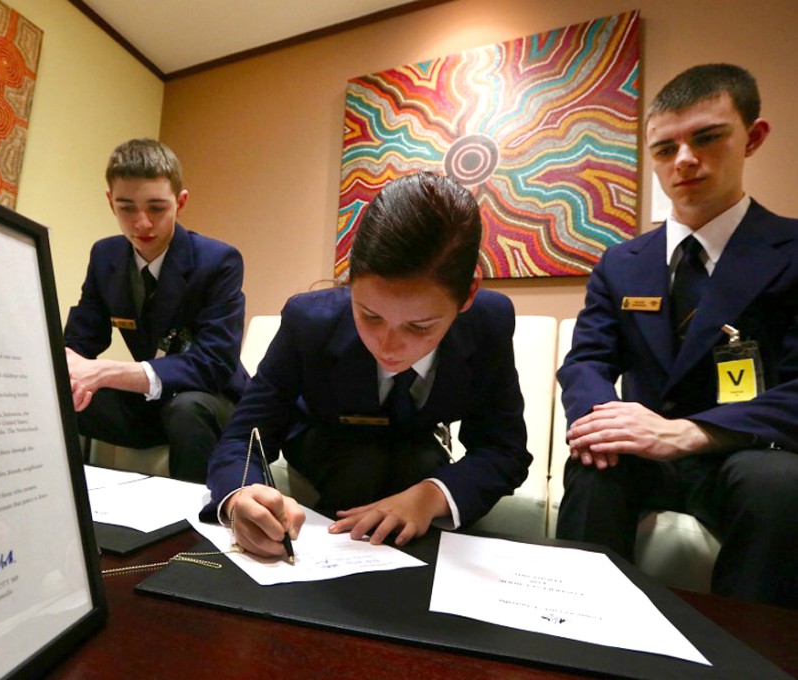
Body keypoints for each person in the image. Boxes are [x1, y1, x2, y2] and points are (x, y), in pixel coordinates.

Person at [556, 64, 798, 607]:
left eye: (707, 137)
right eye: (666, 148)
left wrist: (692, 432)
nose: (685, 159)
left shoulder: (792, 252)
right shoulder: (621, 263)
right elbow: (585, 363)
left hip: (748, 453)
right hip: (643, 455)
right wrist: (602, 422)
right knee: (594, 465)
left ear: (752, 138)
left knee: (782, 485)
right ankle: (572, 632)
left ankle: (749, 655)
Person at [203, 172, 532, 558]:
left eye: (420, 326)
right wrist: (242, 494)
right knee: (363, 466)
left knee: (422, 465)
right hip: (321, 444)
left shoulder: (488, 323)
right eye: (370, 316)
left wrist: (429, 497)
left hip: (417, 450)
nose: (388, 347)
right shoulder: (309, 320)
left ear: (468, 295)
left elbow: (503, 449)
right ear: (350, 279)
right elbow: (246, 436)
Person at [64, 138, 248, 483]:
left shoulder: (219, 260)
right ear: (110, 202)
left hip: (211, 402)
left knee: (187, 409)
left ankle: (190, 530)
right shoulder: (105, 257)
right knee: (62, 394)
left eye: (157, 208)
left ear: (181, 202)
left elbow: (214, 364)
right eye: (127, 208)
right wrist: (67, 368)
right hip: (151, 405)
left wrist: (105, 371)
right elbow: (81, 339)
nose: (142, 223)